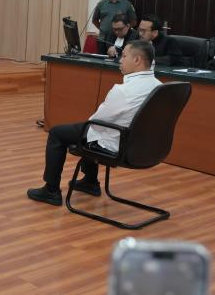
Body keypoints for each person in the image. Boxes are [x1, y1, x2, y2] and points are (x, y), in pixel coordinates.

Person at [27, 40, 160, 206]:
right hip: (144, 147)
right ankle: (90, 182)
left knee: (58, 133)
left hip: (119, 146)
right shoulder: (159, 87)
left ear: (137, 60)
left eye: (124, 56)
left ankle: (51, 190)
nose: (120, 60)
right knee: (89, 130)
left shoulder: (123, 91)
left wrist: (88, 125)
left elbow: (96, 123)